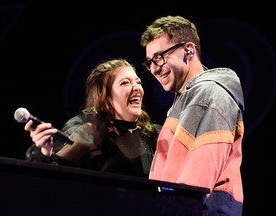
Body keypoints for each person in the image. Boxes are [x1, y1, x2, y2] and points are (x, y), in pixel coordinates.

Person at [140, 15, 244, 215]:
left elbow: (197, 177)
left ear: (188, 49)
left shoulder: (209, 95)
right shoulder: (186, 99)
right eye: (149, 62)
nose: (153, 68)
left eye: (159, 57)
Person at [24, 58, 161, 178]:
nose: (136, 87)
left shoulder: (154, 134)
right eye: (125, 83)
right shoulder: (90, 130)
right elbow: (54, 176)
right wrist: (45, 151)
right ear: (105, 96)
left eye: (138, 82)